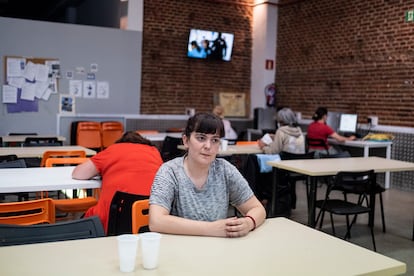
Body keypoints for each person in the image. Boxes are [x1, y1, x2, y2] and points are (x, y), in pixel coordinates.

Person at [149, 113, 266, 238]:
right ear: (186, 141)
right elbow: (156, 221)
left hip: (217, 249)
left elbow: (258, 209)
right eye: (201, 138)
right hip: (180, 250)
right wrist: (211, 229)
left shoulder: (225, 170)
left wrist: (248, 223)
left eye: (215, 140)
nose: (208, 146)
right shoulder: (169, 172)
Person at [72, 131, 163, 234]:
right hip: (147, 219)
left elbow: (78, 174)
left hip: (112, 219)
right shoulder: (154, 152)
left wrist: (103, 171)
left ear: (121, 142)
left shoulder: (113, 150)